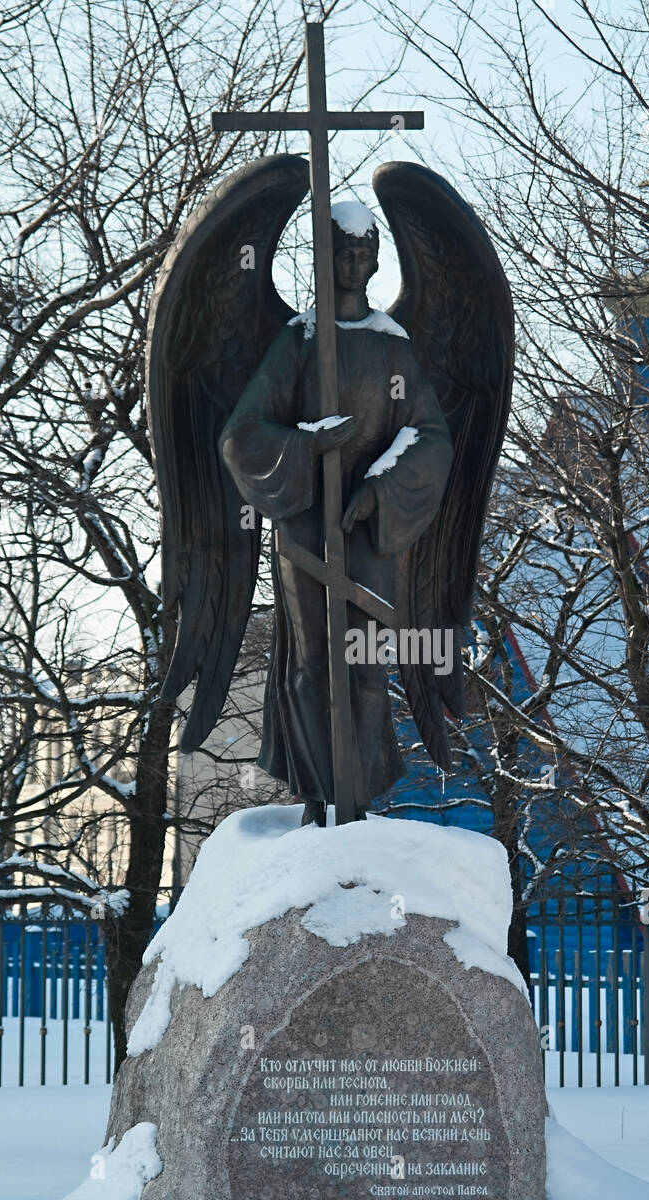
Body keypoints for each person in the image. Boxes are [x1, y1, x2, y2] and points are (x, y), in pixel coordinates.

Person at [219, 202, 453, 825]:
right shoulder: (297, 342)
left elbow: (431, 436)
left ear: (376, 258)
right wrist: (305, 444)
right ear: (323, 258)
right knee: (312, 664)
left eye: (361, 253)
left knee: (368, 665)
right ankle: (318, 796)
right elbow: (240, 434)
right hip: (302, 527)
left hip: (370, 530)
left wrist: (379, 487)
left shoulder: (391, 348)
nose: (351, 264)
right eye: (340, 253)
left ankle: (355, 799)